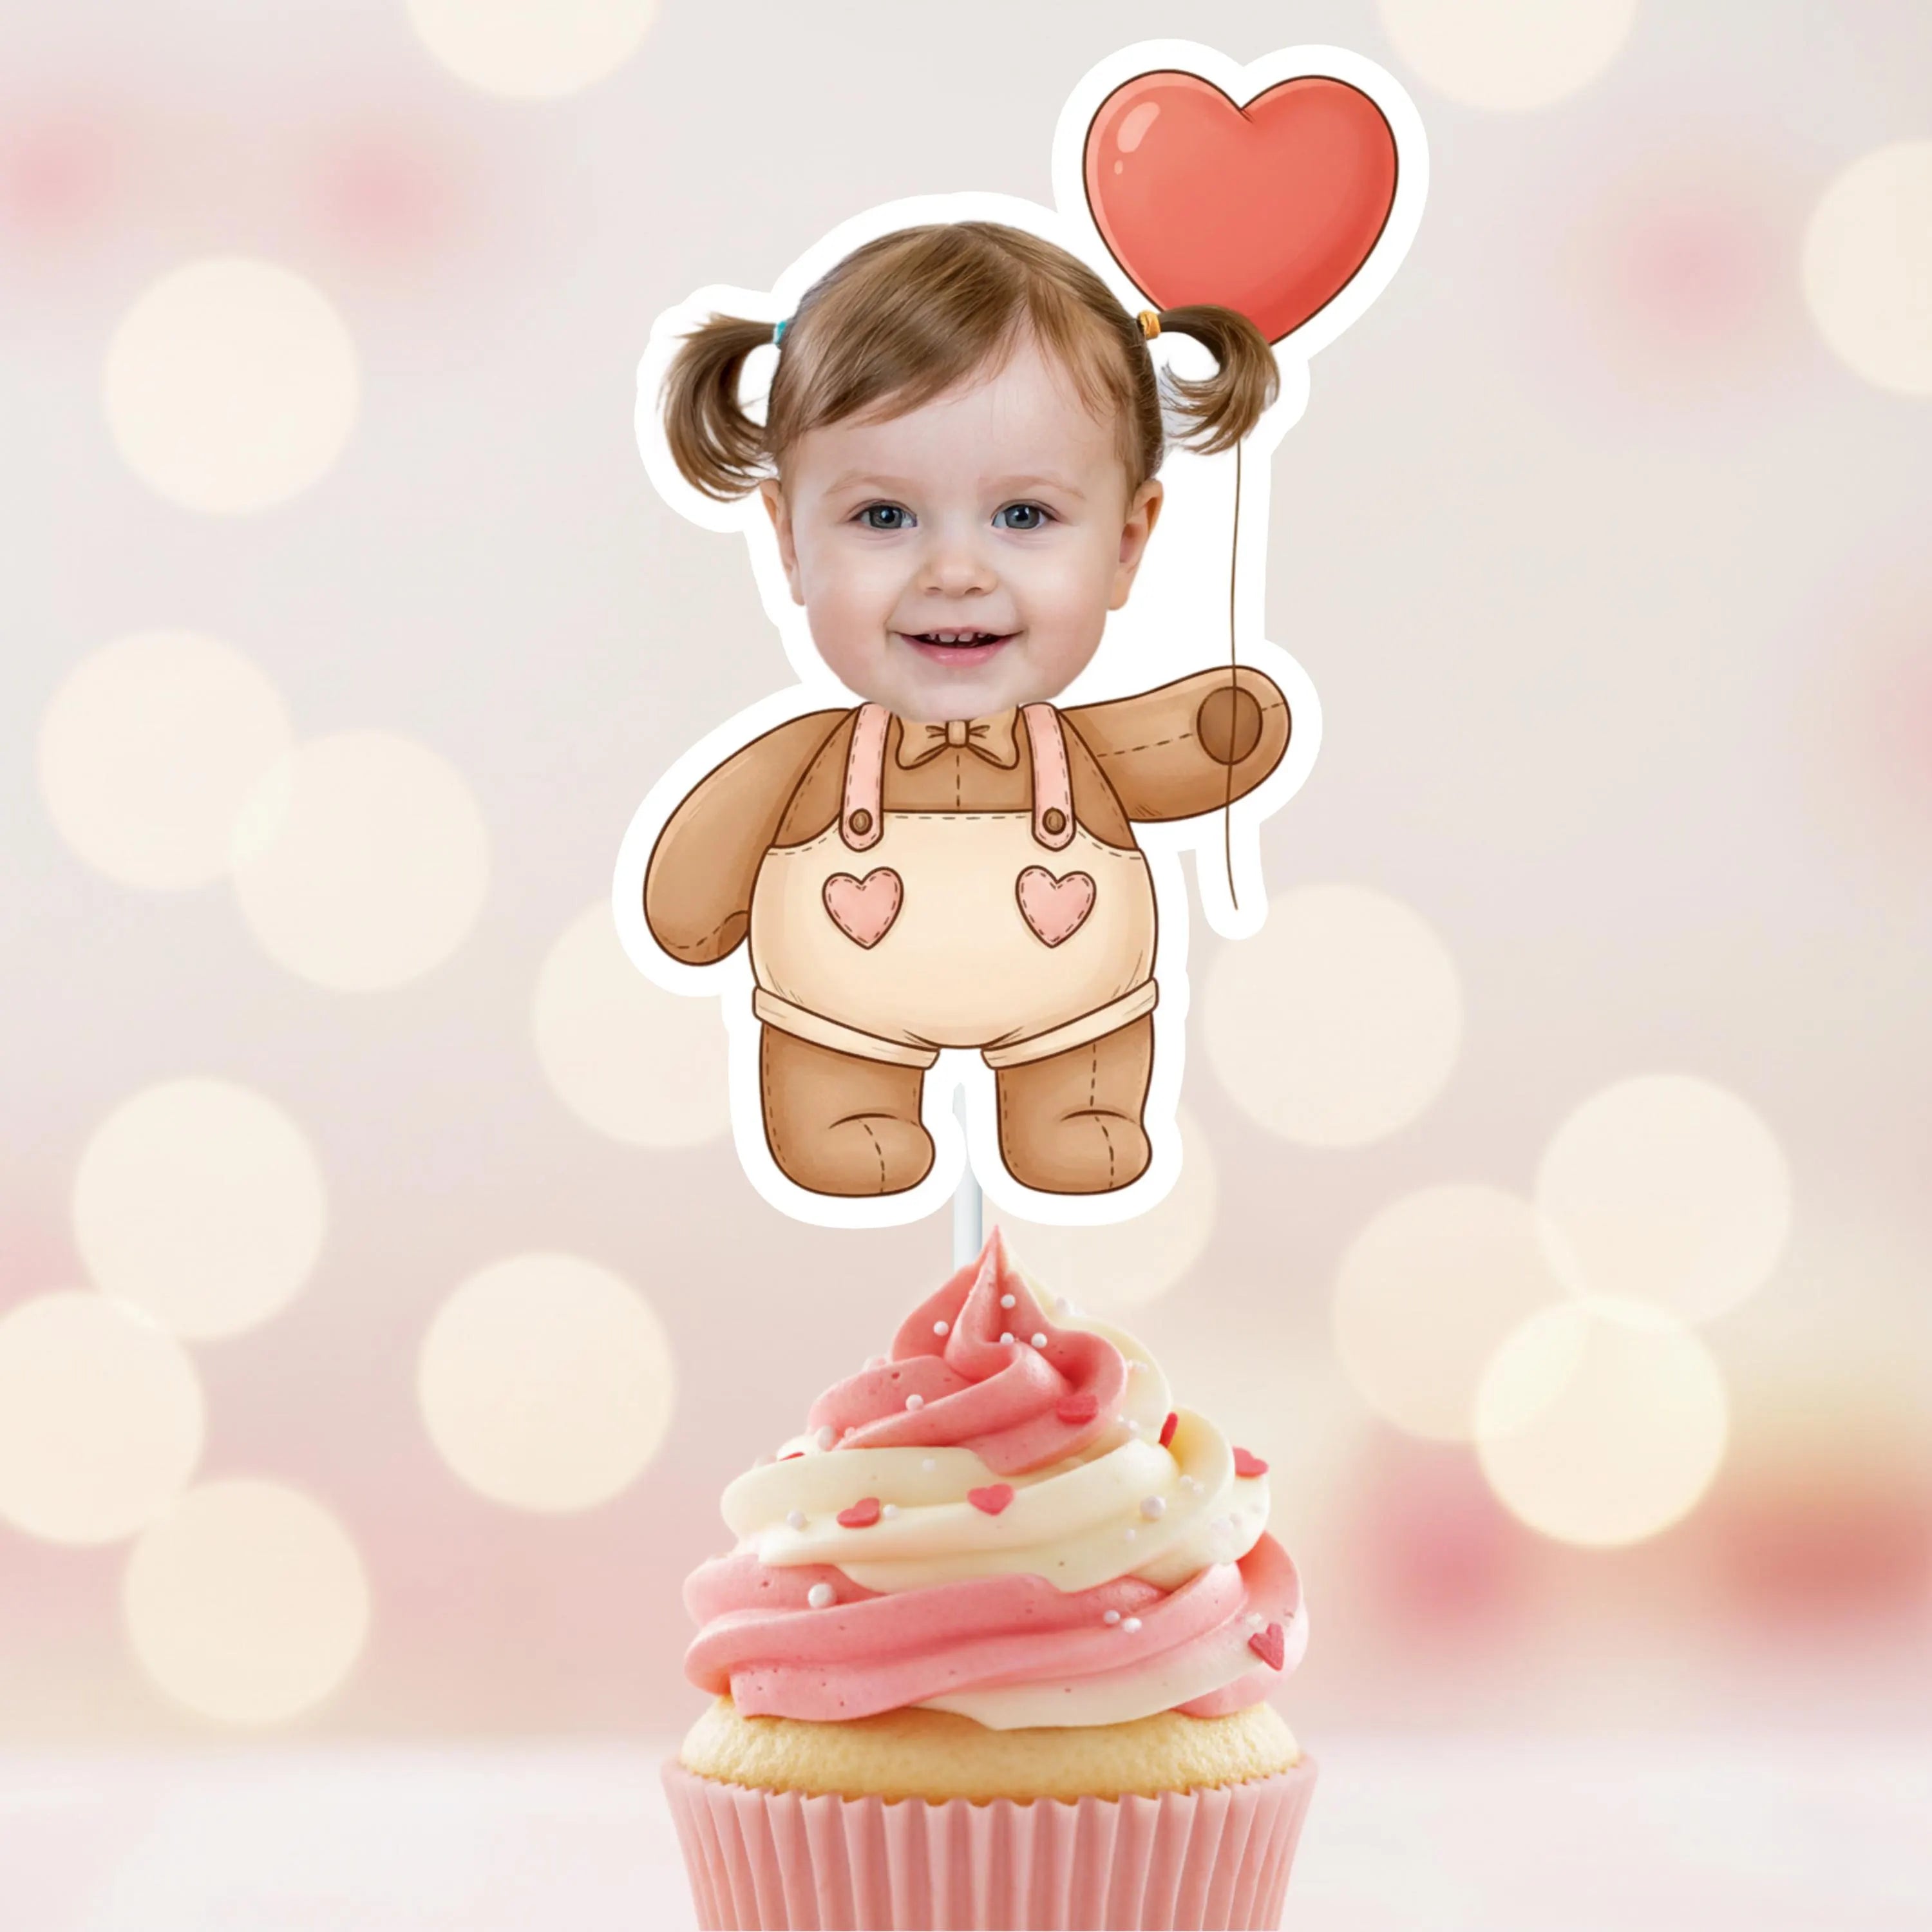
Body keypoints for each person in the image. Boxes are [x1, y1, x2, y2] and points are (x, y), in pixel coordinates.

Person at [643, 220, 1290, 1198]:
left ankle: (1073, 1106)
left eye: (1023, 516)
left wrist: (1216, 731)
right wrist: (693, 903)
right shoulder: (804, 762)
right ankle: (847, 1101)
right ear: (786, 540)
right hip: (840, 1014)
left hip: (1070, 1018)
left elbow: (1188, 746)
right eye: (883, 517)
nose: (954, 573)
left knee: (1081, 1086)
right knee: (837, 1096)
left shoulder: (1083, 752)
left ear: (1127, 542)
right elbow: (690, 905)